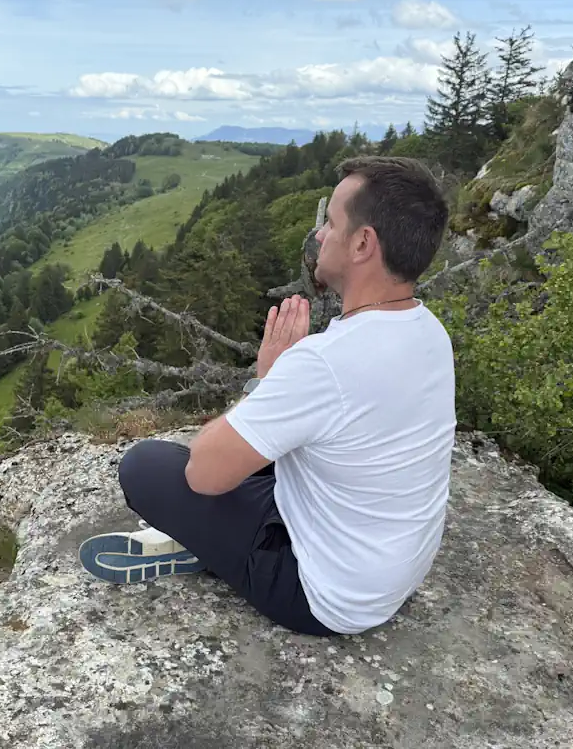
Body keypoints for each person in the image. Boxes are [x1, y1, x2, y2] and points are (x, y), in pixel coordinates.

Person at [78, 156, 457, 637]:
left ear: (363, 243)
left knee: (145, 467)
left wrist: (266, 382)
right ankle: (221, 538)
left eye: (332, 223)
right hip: (387, 573)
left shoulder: (326, 361)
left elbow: (203, 473)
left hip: (321, 595)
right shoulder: (428, 331)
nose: (319, 235)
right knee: (272, 448)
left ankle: (209, 547)